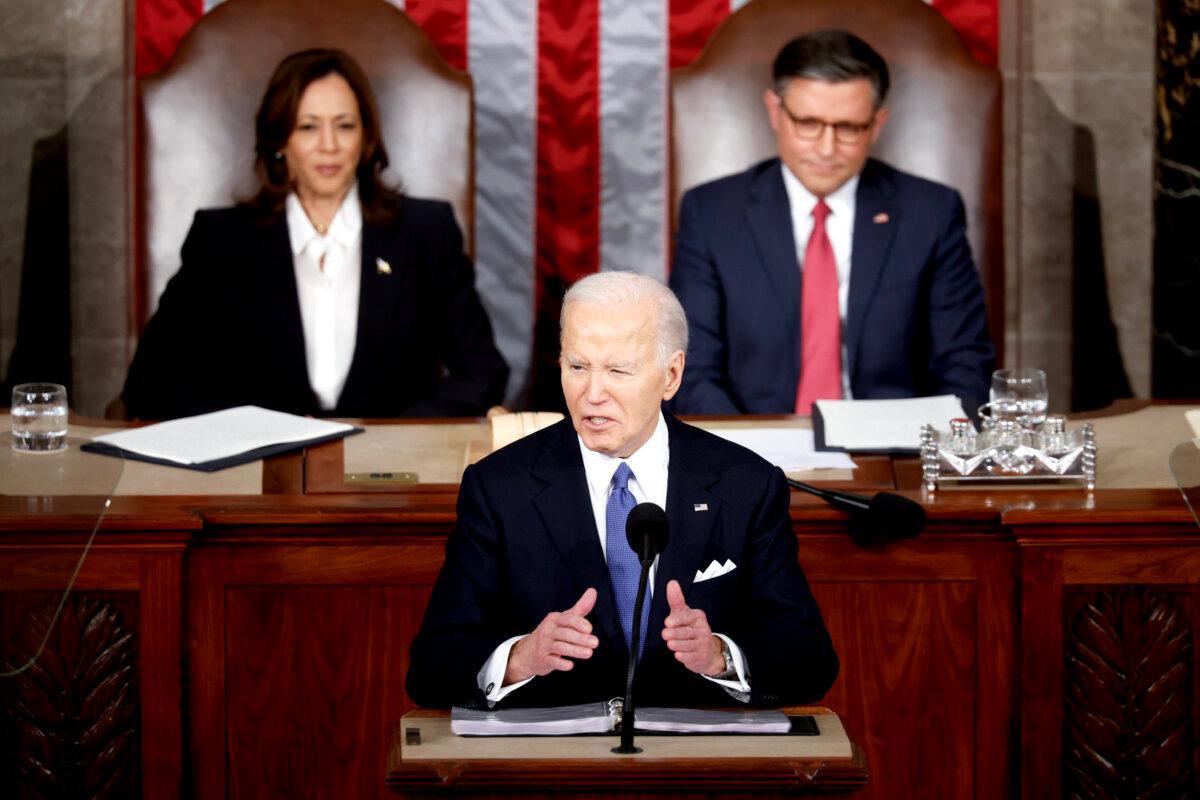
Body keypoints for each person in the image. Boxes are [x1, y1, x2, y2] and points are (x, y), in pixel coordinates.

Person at [407, 271, 837, 709]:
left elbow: (810, 660)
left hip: (695, 764)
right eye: (577, 367)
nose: (592, 393)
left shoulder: (746, 485)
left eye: (618, 370)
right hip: (553, 763)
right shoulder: (499, 488)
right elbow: (431, 669)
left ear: (671, 374)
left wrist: (719, 656)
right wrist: (520, 658)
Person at [121, 49, 507, 419]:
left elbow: (482, 373)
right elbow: (150, 384)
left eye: (344, 125)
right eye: (308, 127)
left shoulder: (426, 231)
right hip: (257, 474)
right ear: (280, 142)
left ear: (366, 138)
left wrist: (396, 436)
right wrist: (247, 428)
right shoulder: (221, 240)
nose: (329, 146)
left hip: (390, 473)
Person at [669, 30, 994, 417]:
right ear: (775, 111)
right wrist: (746, 460)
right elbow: (691, 368)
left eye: (848, 128)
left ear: (876, 124)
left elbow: (965, 364)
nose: (826, 148)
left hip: (894, 453)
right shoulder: (712, 213)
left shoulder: (931, 212)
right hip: (754, 450)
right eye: (808, 123)